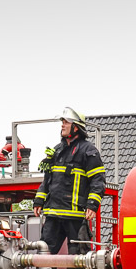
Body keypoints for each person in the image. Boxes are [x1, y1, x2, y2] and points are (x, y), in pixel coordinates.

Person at [33, 106, 106, 254]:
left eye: (66, 122)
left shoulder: (88, 151)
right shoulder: (56, 151)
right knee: (44, 255)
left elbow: (98, 180)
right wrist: (39, 200)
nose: (62, 125)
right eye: (62, 122)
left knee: (78, 259)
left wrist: (92, 205)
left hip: (75, 216)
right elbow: (47, 180)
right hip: (53, 215)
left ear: (76, 127)